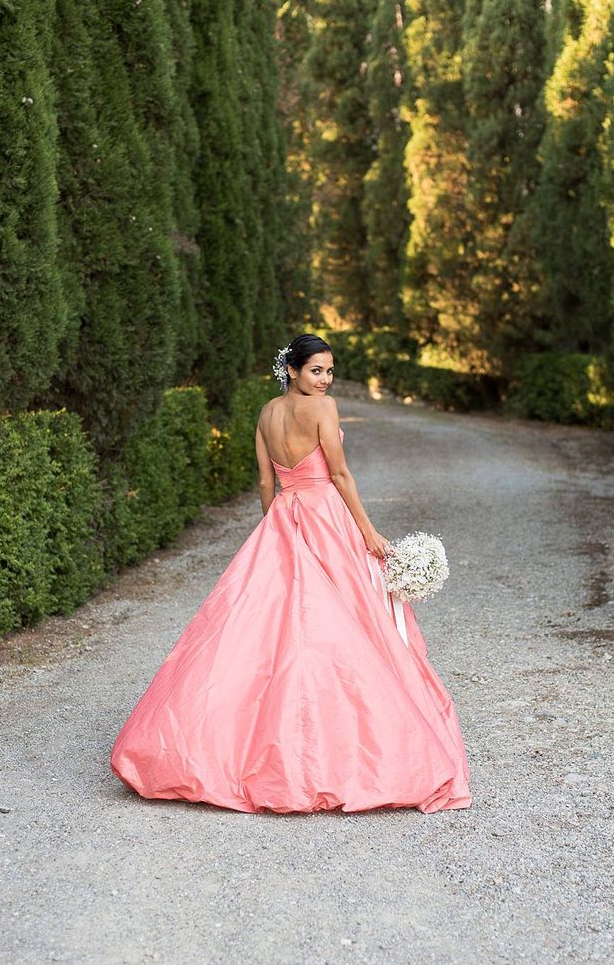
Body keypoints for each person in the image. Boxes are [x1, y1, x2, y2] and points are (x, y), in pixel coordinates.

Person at [110, 333, 471, 814]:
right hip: (326, 515)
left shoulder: (266, 413)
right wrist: (369, 534)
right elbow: (340, 476)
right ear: (294, 370)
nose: (325, 379)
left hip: (284, 515)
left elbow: (266, 481)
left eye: (329, 370)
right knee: (343, 627)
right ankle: (336, 754)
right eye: (317, 370)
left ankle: (218, 748)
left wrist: (274, 530)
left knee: (261, 628)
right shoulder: (323, 410)